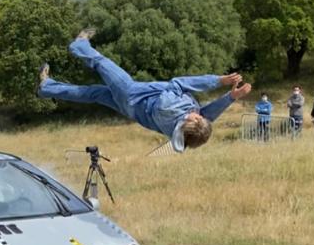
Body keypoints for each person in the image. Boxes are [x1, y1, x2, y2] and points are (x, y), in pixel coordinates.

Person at [37, 28, 251, 153]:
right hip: (130, 110)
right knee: (93, 93)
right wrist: (231, 97)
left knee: (102, 63)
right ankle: (47, 88)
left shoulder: (170, 108)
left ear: (191, 121)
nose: (199, 114)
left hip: (130, 93)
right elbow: (208, 115)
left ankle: (79, 46)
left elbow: (178, 83)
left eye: (197, 117)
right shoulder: (179, 131)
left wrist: (217, 81)